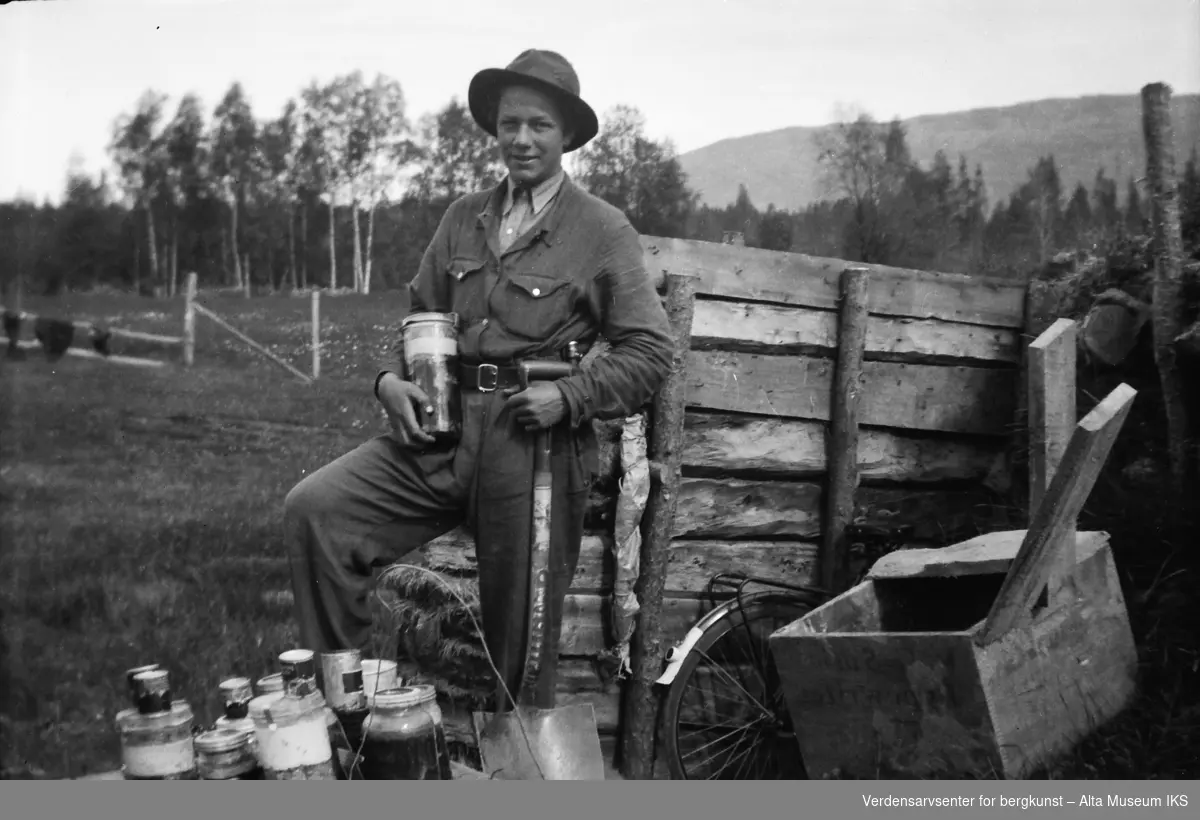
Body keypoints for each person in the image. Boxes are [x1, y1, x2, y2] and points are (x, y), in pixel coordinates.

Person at [283, 49, 674, 710]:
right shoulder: (464, 218)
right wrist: (390, 383)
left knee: (520, 638)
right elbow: (420, 316)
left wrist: (570, 396)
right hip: (441, 430)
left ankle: (516, 769)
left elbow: (649, 351)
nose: (521, 139)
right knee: (316, 510)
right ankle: (346, 708)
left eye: (539, 126)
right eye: (510, 123)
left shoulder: (602, 230)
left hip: (533, 450)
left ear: (566, 136)